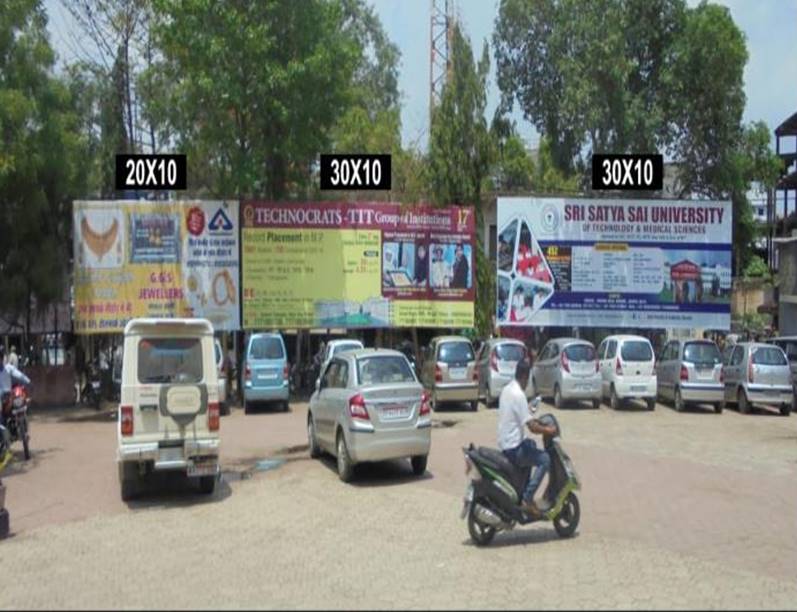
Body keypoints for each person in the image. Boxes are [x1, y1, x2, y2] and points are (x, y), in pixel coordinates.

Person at [497, 359, 557, 517]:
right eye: (528, 378)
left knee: (530, 444)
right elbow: (531, 427)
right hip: (513, 448)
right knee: (545, 459)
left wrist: (538, 421)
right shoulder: (519, 395)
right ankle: (527, 498)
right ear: (525, 376)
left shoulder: (507, 389)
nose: (528, 382)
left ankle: (523, 488)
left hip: (506, 443)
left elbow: (524, 417)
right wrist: (548, 430)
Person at [0, 346, 31, 430]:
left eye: (1, 356)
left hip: (9, 395)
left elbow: (19, 375)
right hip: (4, 396)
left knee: (21, 397)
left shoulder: (8, 367)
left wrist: (27, 381)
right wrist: (28, 381)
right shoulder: (9, 365)